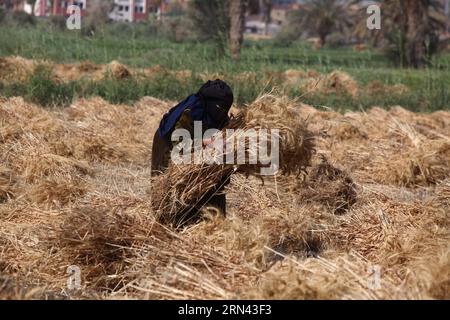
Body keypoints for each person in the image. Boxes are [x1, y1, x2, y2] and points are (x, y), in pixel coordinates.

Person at [151, 79, 234, 219]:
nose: (223, 112)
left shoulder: (218, 115)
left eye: (226, 108)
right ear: (211, 103)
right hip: (168, 145)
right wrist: (204, 142)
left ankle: (214, 221)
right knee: (169, 188)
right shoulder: (190, 113)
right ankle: (168, 224)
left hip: (198, 146)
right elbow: (179, 145)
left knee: (215, 182)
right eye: (221, 108)